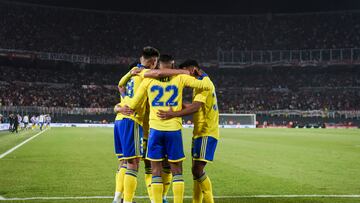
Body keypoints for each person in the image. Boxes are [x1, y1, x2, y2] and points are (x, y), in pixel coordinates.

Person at [127, 55, 211, 203]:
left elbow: (133, 104)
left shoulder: (148, 80)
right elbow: (207, 86)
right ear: (172, 66)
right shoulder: (180, 78)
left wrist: (120, 107)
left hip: (155, 131)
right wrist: (200, 75)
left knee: (155, 172)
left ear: (158, 66)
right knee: (177, 171)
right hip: (173, 131)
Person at [157, 60, 219, 203]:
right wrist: (177, 103)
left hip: (206, 131)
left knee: (197, 170)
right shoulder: (201, 81)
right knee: (195, 172)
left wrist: (173, 114)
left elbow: (195, 107)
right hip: (200, 132)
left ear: (193, 68)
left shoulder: (203, 83)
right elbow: (195, 105)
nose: (186, 74)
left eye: (186, 71)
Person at [112, 46, 160, 203]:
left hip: (119, 120)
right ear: (153, 62)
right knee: (134, 163)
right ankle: (126, 201)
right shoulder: (146, 75)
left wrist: (118, 107)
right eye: (156, 62)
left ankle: (118, 198)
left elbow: (120, 86)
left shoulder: (132, 75)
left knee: (124, 161)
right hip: (133, 120)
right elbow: (160, 74)